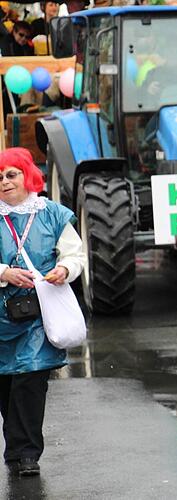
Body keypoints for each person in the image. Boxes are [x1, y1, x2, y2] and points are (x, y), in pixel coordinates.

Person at [0, 148, 85, 476]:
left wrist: (64, 270)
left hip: (39, 313)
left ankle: (27, 454)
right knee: (6, 386)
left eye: (11, 174)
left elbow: (75, 255)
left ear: (27, 175)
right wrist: (5, 273)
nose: (5, 182)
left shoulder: (52, 214)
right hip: (2, 315)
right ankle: (15, 445)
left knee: (30, 381)